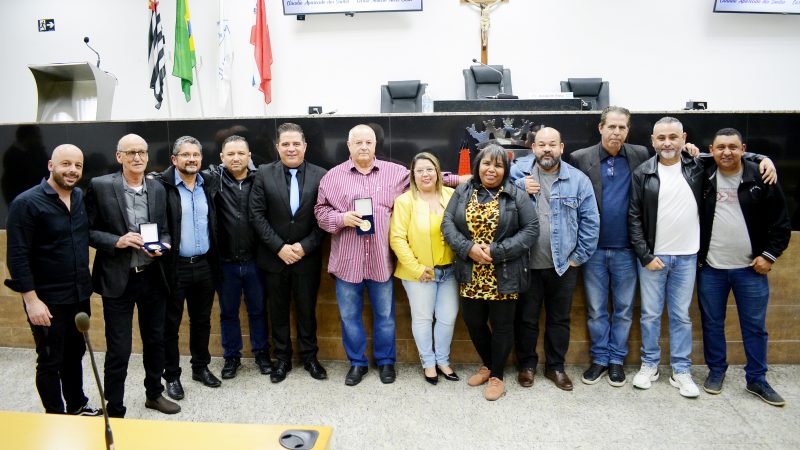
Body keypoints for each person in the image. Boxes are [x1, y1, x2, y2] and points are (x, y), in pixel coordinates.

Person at [628, 117, 775, 399]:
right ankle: (650, 366)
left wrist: (765, 158)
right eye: (661, 138)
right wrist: (645, 255)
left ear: (683, 138)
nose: (667, 143)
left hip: (687, 258)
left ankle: (681, 370)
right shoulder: (643, 172)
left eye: (673, 137)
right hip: (653, 258)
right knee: (649, 315)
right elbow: (633, 217)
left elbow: (730, 153)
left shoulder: (698, 165)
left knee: (681, 316)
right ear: (652, 141)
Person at [314, 124, 464, 386]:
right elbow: (320, 212)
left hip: (380, 261)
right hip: (347, 262)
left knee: (385, 317)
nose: (363, 147)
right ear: (349, 146)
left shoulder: (395, 173)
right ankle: (357, 364)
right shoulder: (332, 177)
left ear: (375, 146)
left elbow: (428, 177)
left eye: (368, 142)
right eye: (357, 142)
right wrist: (340, 218)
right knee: (349, 317)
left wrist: (465, 179)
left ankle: (386, 363)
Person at [85, 134, 179, 417]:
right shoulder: (100, 187)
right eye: (131, 153)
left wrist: (163, 245)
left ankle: (154, 394)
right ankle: (115, 407)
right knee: (119, 349)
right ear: (119, 157)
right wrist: (116, 241)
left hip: (151, 276)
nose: (137, 157)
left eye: (142, 152)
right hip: (118, 280)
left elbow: (164, 230)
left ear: (148, 156)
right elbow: (87, 231)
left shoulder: (158, 188)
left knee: (155, 341)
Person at [5, 144, 101, 416]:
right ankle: (56, 417)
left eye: (78, 166)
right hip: (46, 301)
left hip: (79, 295)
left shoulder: (79, 196)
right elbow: (17, 257)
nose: (72, 170)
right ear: (51, 166)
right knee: (49, 361)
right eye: (66, 164)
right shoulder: (26, 203)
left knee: (75, 353)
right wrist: (32, 301)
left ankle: (77, 405)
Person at [697, 128, 790, 406]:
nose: (727, 152)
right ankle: (716, 371)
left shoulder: (761, 176)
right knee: (712, 323)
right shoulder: (705, 174)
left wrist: (769, 255)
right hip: (711, 268)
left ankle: (757, 379)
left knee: (754, 326)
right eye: (721, 147)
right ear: (712, 150)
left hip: (750, 269)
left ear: (743, 149)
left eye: (733, 147)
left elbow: (781, 224)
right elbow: (679, 153)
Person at [442, 144, 538, 401]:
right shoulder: (463, 190)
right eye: (486, 164)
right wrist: (469, 248)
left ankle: (497, 376)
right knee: (474, 322)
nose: (491, 169)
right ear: (478, 166)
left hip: (504, 272)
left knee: (503, 326)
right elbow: (447, 223)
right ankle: (489, 364)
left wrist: (497, 251)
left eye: (498, 165)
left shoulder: (516, 194)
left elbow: (531, 229)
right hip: (470, 270)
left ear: (505, 169)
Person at [509, 127, 600, 392]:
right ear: (533, 148)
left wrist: (577, 258)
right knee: (526, 319)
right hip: (526, 263)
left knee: (559, 319)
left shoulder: (578, 180)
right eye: (541, 144)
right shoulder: (518, 173)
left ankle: (555, 367)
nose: (546, 149)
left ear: (561, 148)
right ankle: (526, 366)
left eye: (552, 144)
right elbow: (491, 183)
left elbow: (591, 222)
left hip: (563, 266)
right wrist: (517, 185)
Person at [567, 106, 651, 387]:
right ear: (600, 128)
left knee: (624, 309)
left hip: (628, 249)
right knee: (596, 309)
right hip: (591, 251)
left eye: (622, 128)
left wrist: (759, 158)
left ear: (628, 130)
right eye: (611, 127)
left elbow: (684, 156)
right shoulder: (581, 159)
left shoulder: (641, 155)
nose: (616, 132)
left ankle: (617, 360)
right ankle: (600, 359)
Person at [250, 123, 328, 383]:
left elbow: (324, 219)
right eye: (286, 144)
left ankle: (310, 357)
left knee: (307, 310)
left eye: (296, 144)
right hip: (274, 258)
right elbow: (257, 215)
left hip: (307, 258)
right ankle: (281, 359)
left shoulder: (321, 175)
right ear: (277, 147)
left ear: (305, 146)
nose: (291, 148)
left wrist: (304, 247)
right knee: (278, 311)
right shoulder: (263, 173)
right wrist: (279, 247)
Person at [154, 136, 222, 400]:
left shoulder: (208, 183)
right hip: (175, 267)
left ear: (201, 159)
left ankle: (200, 367)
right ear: (174, 159)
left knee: (202, 321)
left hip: (204, 265)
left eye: (195, 154)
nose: (191, 159)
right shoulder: (162, 186)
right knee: (170, 325)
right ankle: (171, 375)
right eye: (185, 155)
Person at [203, 135, 271, 380]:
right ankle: (232, 357)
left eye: (241, 153)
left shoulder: (261, 178)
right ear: (221, 157)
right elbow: (182, 171)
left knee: (258, 310)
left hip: (256, 261)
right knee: (228, 313)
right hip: (225, 263)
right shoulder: (212, 179)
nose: (236, 158)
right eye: (230, 154)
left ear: (249, 155)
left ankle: (262, 353)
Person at [390, 152, 460, 385]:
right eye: (419, 170)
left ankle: (443, 360)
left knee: (447, 317)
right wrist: (416, 268)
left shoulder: (452, 195)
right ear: (413, 175)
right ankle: (428, 363)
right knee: (422, 319)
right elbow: (397, 238)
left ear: (438, 172)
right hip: (419, 273)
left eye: (429, 169)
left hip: (449, 270)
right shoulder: (405, 201)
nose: (425, 174)